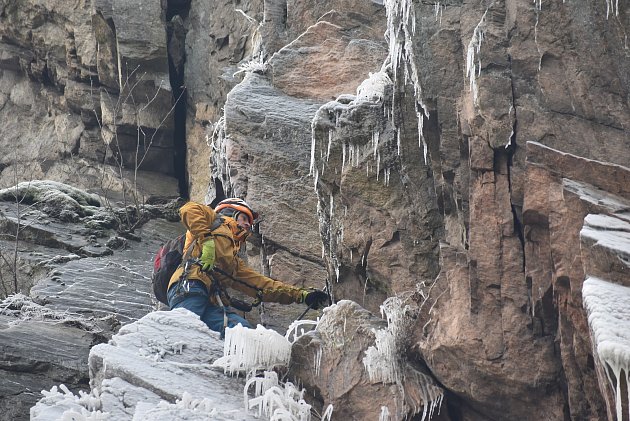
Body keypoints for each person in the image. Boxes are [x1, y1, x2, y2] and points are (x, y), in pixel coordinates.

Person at [167, 198, 329, 335]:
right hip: (190, 284)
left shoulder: (233, 262)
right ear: (231, 212)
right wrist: (208, 241)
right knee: (182, 328)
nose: (247, 225)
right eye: (244, 218)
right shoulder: (213, 221)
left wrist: (301, 295)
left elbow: (260, 285)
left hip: (212, 299)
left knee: (241, 331)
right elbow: (188, 209)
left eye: (249, 223)